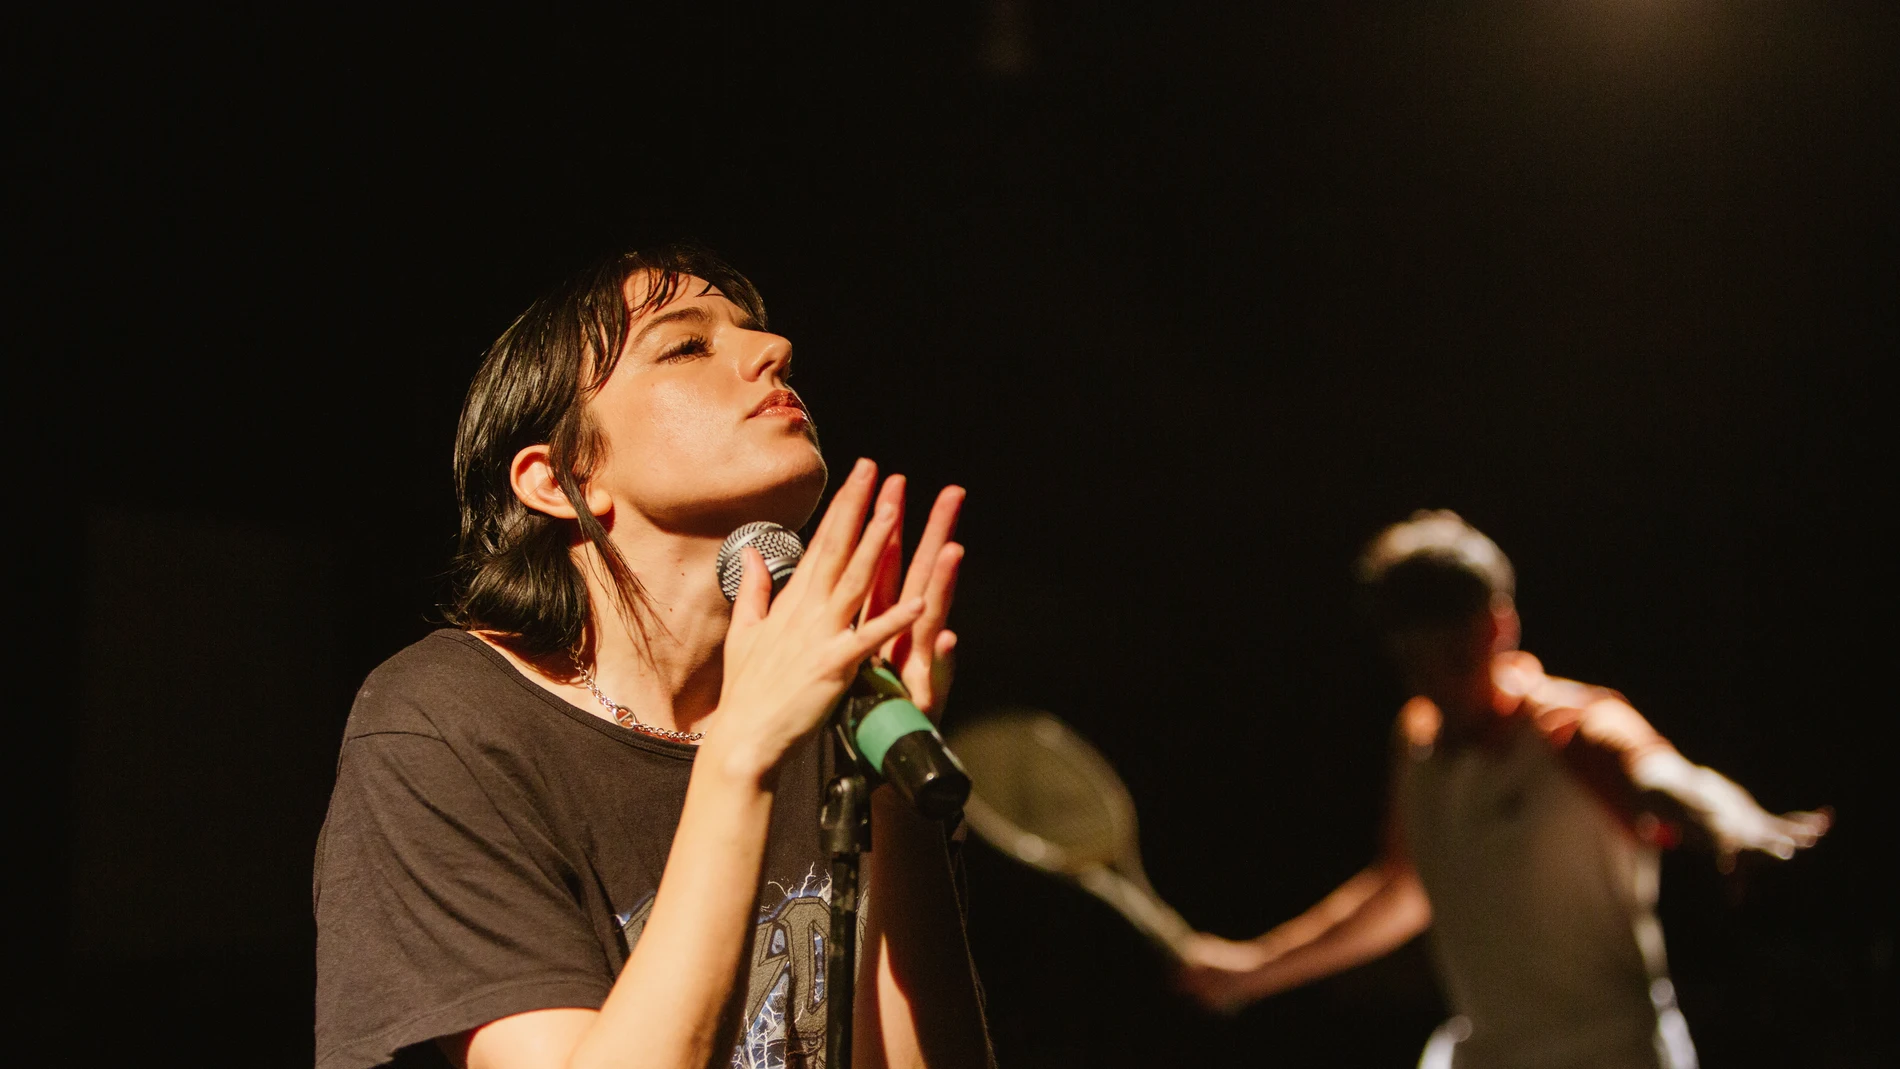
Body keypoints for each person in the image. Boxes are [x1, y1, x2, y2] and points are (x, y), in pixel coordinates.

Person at [313, 245, 993, 1069]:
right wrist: (741, 753)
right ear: (562, 477)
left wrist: (898, 810)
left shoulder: (827, 700)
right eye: (686, 345)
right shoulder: (441, 724)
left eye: (757, 332)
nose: (772, 351)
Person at [1176, 511, 1829, 1069]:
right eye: (1413, 662)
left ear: (1498, 627)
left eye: (1454, 655)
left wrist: (1736, 826)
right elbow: (1403, 890)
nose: (1436, 683)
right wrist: (1253, 969)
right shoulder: (1416, 744)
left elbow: (1668, 779)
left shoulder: (1571, 728)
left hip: (1614, 1056)